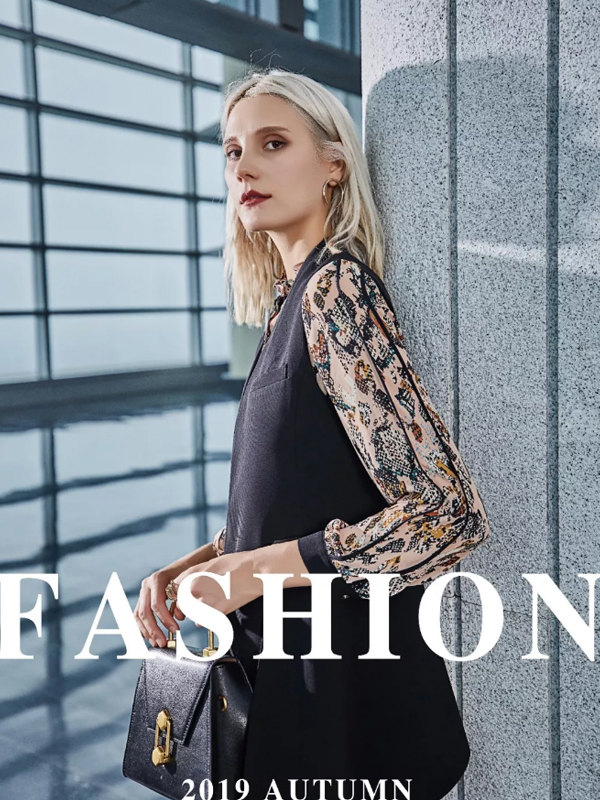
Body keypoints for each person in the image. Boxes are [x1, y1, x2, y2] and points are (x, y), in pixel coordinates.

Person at [133, 68, 491, 800]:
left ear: (334, 165)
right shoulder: (287, 306)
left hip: (339, 703)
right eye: (233, 151)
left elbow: (449, 516)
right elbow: (298, 497)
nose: (245, 167)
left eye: (273, 143)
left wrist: (251, 573)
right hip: (286, 682)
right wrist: (195, 563)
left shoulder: (336, 292)